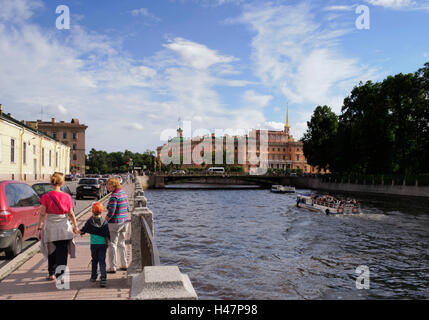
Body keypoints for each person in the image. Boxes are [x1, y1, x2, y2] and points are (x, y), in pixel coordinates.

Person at [37, 172, 79, 281]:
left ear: (51, 182)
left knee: (51, 251)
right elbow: (71, 213)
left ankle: (51, 273)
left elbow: (42, 214)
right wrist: (75, 226)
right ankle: (60, 275)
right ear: (61, 183)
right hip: (63, 227)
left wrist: (40, 227)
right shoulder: (67, 197)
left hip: (50, 227)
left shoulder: (46, 197)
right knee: (62, 253)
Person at [79, 202, 110, 288]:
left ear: (92, 211)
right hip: (102, 244)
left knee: (94, 260)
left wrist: (79, 231)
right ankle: (103, 278)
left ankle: (93, 277)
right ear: (102, 211)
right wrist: (107, 243)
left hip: (93, 244)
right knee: (102, 261)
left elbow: (83, 230)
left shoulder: (90, 221)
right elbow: (107, 234)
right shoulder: (104, 222)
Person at [105, 178, 130, 273]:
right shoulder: (123, 193)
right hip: (124, 222)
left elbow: (111, 212)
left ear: (113, 185)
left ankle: (112, 267)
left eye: (108, 185)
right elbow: (127, 207)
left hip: (114, 223)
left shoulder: (114, 196)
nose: (107, 187)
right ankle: (124, 264)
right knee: (122, 243)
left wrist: (104, 221)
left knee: (112, 244)